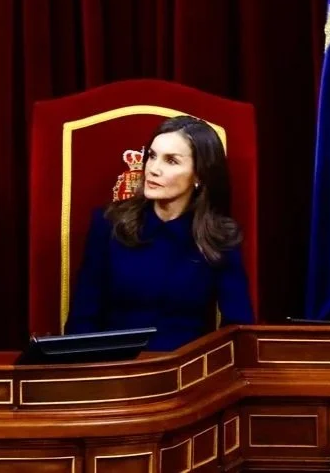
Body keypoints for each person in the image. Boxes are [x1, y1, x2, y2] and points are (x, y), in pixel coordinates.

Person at [65, 115, 254, 351]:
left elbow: (238, 327)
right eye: (152, 156)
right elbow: (82, 320)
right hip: (114, 364)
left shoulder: (220, 238)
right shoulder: (108, 224)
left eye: (171, 161)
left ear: (199, 175)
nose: (153, 169)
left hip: (186, 367)